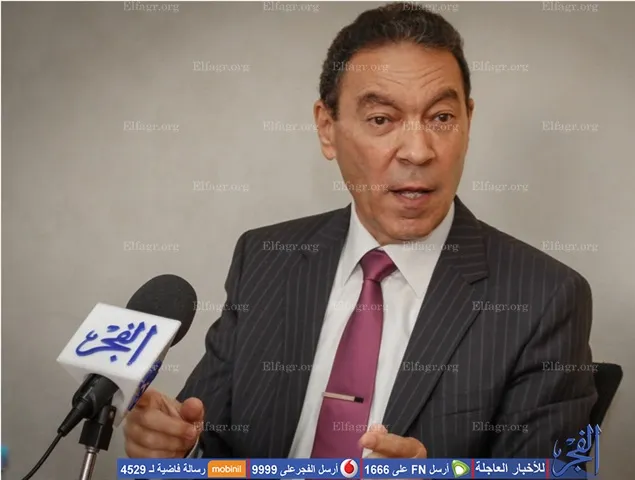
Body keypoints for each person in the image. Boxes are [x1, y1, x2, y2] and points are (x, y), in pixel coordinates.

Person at [124, 1, 597, 460]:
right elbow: (209, 440)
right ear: (327, 128)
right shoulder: (265, 258)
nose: (418, 151)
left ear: (468, 122)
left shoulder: (544, 298)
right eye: (381, 120)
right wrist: (177, 447)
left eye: (441, 118)